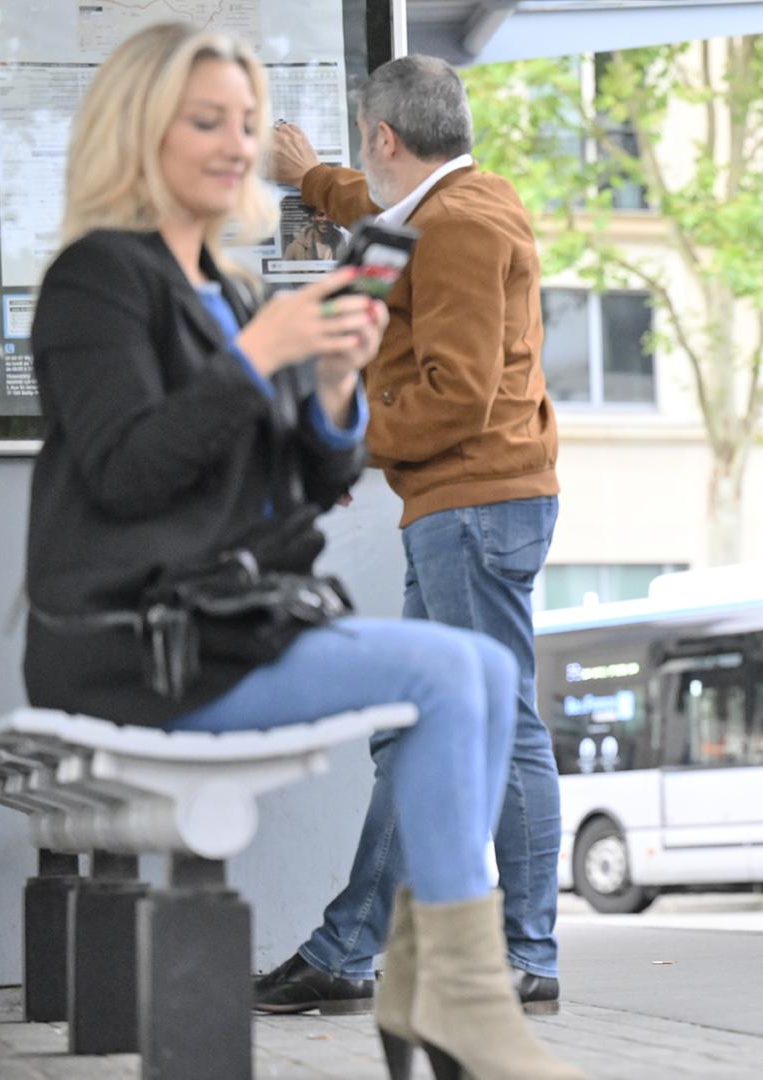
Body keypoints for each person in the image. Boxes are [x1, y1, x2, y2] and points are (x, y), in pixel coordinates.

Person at [20, 24, 580, 1080]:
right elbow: (131, 470)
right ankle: (436, 977)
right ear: (138, 133)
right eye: (207, 122)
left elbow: (297, 486)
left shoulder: (226, 291)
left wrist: (326, 402)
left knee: (465, 677)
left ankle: (439, 975)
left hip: (220, 624)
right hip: (126, 643)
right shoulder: (98, 281)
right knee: (458, 675)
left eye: (245, 121)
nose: (238, 145)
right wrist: (264, 357)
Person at [257, 55, 567, 1016]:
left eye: (362, 145)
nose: (360, 160)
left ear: (386, 137)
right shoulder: (441, 205)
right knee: (414, 730)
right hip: (454, 509)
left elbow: (458, 393)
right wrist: (309, 177)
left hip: (475, 508)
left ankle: (526, 956)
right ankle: (348, 952)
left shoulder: (462, 229)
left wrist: (346, 449)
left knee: (499, 721)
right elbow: (377, 211)